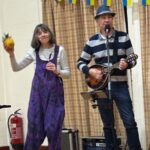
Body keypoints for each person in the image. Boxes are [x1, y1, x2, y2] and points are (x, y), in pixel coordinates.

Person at [77, 5, 142, 150]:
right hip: (101, 87)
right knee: (108, 124)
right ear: (98, 21)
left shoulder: (124, 37)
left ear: (112, 19)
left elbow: (133, 59)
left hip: (120, 86)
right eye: (103, 17)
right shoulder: (92, 41)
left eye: (109, 17)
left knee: (129, 121)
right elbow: (80, 62)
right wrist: (90, 71)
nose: (106, 20)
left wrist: (127, 65)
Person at [3, 23, 70, 150]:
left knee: (53, 127)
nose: (43, 35)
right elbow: (16, 68)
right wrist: (11, 54)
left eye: (45, 32)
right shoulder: (33, 52)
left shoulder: (59, 50)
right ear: (36, 37)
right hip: (37, 97)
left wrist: (57, 71)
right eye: (39, 33)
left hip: (54, 97)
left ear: (49, 33)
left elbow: (68, 73)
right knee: (34, 128)